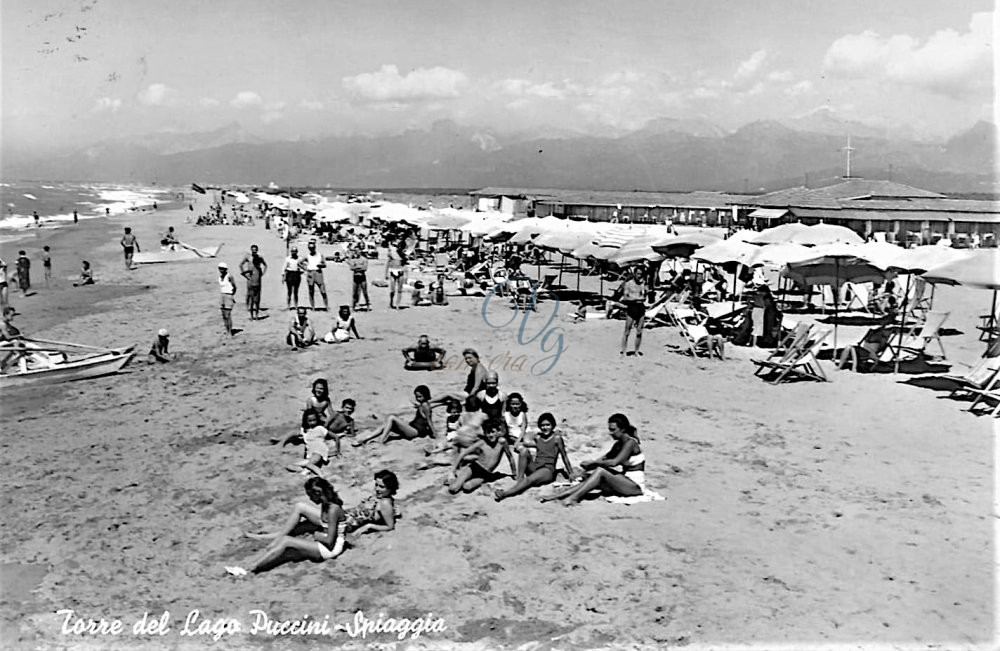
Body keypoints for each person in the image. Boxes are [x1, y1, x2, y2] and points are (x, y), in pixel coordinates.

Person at [236, 477, 347, 574]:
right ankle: (267, 546)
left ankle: (251, 568)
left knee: (286, 541)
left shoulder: (333, 510)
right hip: (327, 541)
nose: (310, 499)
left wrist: (316, 535)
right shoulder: (325, 504)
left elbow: (329, 541)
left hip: (330, 550)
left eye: (311, 496)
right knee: (294, 533)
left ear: (318, 493)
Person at [541, 413, 645, 506]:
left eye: (613, 430)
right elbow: (604, 458)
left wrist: (594, 463)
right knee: (593, 478)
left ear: (622, 429)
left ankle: (573, 498)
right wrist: (587, 468)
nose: (610, 433)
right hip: (624, 481)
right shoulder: (618, 444)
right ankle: (560, 495)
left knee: (600, 471)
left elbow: (614, 462)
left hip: (635, 486)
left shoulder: (630, 443)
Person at [494, 412, 574, 502]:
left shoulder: (557, 438)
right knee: (523, 451)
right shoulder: (538, 437)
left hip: (547, 470)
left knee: (529, 480)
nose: (545, 427)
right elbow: (526, 441)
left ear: (553, 425)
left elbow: (564, 456)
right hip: (536, 466)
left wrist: (570, 473)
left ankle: (505, 494)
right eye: (542, 425)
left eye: (548, 425)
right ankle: (520, 480)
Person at [448, 419, 516, 494]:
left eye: (493, 432)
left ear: (497, 432)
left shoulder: (502, 442)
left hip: (485, 473)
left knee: (467, 487)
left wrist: (514, 473)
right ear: (484, 433)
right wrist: (452, 471)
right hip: (474, 467)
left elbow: (510, 457)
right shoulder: (482, 443)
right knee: (453, 488)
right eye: (488, 432)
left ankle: (461, 477)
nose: (490, 435)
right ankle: (457, 477)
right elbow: (463, 453)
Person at [353, 385, 436, 446]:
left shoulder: (425, 406)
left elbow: (429, 421)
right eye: (416, 397)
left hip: (416, 432)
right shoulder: (422, 404)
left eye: (420, 397)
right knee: (385, 425)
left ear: (426, 395)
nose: (418, 399)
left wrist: (435, 434)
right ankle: (366, 439)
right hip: (412, 428)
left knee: (391, 418)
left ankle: (381, 440)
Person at [286, 409, 336, 475]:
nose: (312, 422)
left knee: (309, 464)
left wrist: (337, 451)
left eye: (314, 420)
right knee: (289, 466)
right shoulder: (304, 431)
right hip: (310, 454)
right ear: (306, 421)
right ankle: (305, 470)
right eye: (310, 421)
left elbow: (335, 436)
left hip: (319, 451)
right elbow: (294, 434)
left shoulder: (320, 428)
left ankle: (321, 475)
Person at [615, 266, 648, 356]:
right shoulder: (628, 284)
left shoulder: (643, 284)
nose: (639, 276)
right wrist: (636, 299)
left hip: (641, 309)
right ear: (634, 274)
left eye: (641, 274)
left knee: (639, 331)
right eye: (638, 274)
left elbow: (644, 298)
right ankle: (624, 351)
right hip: (631, 308)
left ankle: (636, 351)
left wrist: (636, 297)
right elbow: (625, 297)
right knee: (627, 331)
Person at [239, 244, 267, 320]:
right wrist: (245, 275)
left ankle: (256, 313)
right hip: (250, 278)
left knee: (257, 298)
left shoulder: (259, 258)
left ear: (257, 250)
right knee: (249, 294)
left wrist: (263, 274)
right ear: (251, 250)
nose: (254, 251)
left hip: (257, 278)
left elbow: (265, 265)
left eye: (255, 250)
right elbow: (240, 265)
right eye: (253, 250)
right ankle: (248, 308)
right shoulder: (248, 257)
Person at [304, 239, 329, 311]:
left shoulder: (320, 255)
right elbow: (299, 263)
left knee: (323, 290)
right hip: (310, 273)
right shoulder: (307, 256)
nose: (311, 249)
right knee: (311, 290)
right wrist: (306, 269)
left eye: (312, 248)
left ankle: (326, 306)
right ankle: (313, 307)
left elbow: (325, 264)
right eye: (310, 248)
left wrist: (321, 265)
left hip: (318, 272)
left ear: (315, 248)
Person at [385, 239, 408, 309]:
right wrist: (386, 273)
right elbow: (388, 263)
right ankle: (391, 301)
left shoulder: (403, 255)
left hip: (400, 271)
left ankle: (397, 304)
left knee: (400, 290)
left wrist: (406, 275)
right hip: (393, 270)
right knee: (392, 290)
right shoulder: (392, 253)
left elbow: (405, 265)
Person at [217, 262, 237, 336]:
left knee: (228, 315)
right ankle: (227, 329)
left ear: (226, 269)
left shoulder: (229, 276)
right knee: (223, 315)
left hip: (228, 295)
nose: (221, 270)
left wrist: (231, 295)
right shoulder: (220, 277)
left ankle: (230, 331)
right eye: (220, 269)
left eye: (223, 269)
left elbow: (234, 287)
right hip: (222, 295)